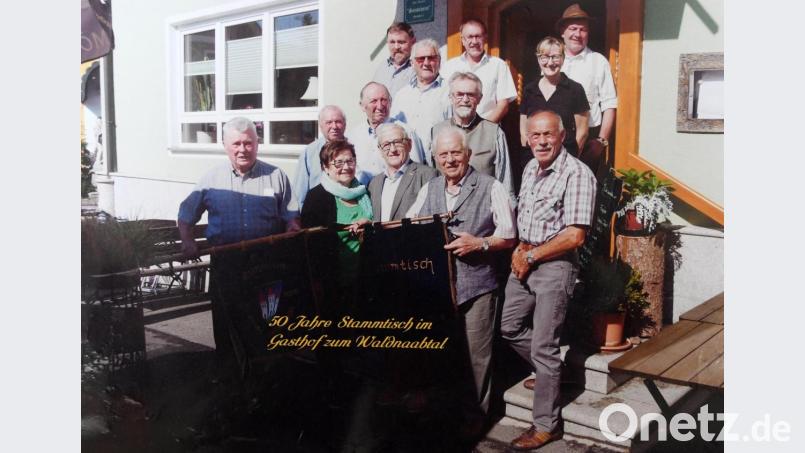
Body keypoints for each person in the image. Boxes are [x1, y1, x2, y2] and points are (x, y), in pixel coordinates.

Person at [407, 126, 517, 421]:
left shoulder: (490, 185)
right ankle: (445, 412)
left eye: (456, 152)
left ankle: (475, 417)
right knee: (444, 352)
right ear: (435, 158)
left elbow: (508, 237)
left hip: (478, 286)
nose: (450, 159)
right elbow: (409, 226)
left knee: (477, 357)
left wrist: (479, 243)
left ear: (468, 154)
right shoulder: (429, 189)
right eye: (443, 154)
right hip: (440, 287)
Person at [501, 111, 596, 451]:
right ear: (527, 137)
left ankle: (546, 425)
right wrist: (521, 250)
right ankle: (550, 373)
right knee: (510, 327)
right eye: (535, 135)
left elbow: (574, 236)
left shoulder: (577, 174)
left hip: (554, 265)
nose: (541, 141)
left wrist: (531, 256)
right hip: (525, 257)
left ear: (562, 136)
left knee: (544, 345)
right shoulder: (530, 168)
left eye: (548, 135)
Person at [177, 117, 301, 361]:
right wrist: (187, 240)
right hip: (227, 263)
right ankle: (230, 379)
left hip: (267, 262)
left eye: (248, 143)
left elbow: (292, 215)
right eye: (236, 144)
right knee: (227, 326)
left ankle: (266, 377)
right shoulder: (211, 180)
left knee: (268, 320)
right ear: (225, 145)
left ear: (257, 144)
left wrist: (293, 227)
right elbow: (185, 216)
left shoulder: (276, 176)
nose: (242, 149)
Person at [301, 139, 373, 289]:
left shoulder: (364, 192)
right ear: (325, 167)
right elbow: (310, 246)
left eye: (350, 161)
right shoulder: (316, 198)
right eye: (338, 163)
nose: (346, 167)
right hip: (333, 281)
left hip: (366, 277)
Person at [432, 71, 514, 203]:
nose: (465, 100)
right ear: (450, 97)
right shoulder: (436, 131)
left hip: (483, 208)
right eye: (459, 94)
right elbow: (432, 177)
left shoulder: (494, 132)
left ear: (480, 98)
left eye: (470, 95)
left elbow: (505, 181)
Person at [558, 3, 618, 176]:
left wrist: (601, 141)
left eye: (583, 30)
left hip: (588, 140)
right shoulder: (552, 60)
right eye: (573, 28)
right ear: (563, 32)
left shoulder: (598, 62)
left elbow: (609, 105)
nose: (577, 34)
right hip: (555, 136)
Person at [519, 36, 589, 158]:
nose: (550, 63)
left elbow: (582, 132)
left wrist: (569, 160)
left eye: (555, 57)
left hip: (565, 160)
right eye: (544, 57)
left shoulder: (575, 90)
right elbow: (524, 131)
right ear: (538, 59)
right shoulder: (529, 90)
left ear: (563, 58)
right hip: (533, 160)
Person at [440, 19, 517, 123]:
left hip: (487, 130)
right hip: (455, 133)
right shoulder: (449, 66)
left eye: (478, 36)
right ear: (463, 40)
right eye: (470, 37)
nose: (474, 42)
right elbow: (443, 101)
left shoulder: (498, 65)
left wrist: (483, 129)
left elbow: (503, 106)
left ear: (485, 38)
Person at [348, 82, 427, 178]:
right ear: (362, 106)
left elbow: (416, 172)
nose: (380, 106)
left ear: (390, 102)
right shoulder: (354, 136)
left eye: (384, 100)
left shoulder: (405, 131)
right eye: (374, 101)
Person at [368, 123, 438, 222]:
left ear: (409, 144)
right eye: (386, 144)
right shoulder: (374, 184)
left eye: (397, 142)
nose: (393, 149)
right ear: (380, 150)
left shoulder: (427, 175)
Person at [390, 38, 451, 153]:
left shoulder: (450, 92)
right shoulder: (401, 95)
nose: (426, 63)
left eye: (431, 58)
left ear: (439, 61)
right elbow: (393, 130)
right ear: (412, 63)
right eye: (421, 59)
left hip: (438, 162)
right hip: (408, 163)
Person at [293, 105, 348, 207]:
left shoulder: (353, 150)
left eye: (338, 122)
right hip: (318, 213)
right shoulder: (309, 152)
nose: (334, 126)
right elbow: (299, 193)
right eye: (329, 122)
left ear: (345, 124)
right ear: (321, 125)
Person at [373, 22, 417, 96]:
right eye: (392, 42)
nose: (396, 47)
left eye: (401, 42)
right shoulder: (382, 67)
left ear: (413, 42)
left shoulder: (418, 68)